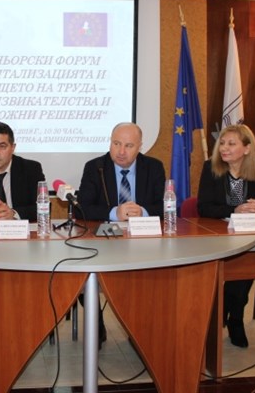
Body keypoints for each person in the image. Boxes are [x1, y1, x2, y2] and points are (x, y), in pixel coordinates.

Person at [77, 122, 166, 347]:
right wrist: (114, 213)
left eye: (128, 145)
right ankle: (96, 322)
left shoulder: (153, 167)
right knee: (80, 274)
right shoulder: (95, 167)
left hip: (142, 243)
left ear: (140, 146)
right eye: (116, 144)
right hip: (104, 242)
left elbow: (166, 206)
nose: (121, 151)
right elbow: (82, 208)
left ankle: (137, 326)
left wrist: (143, 212)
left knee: (149, 281)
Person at [197, 124, 255, 348]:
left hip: (248, 233)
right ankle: (232, 317)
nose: (223, 148)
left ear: (247, 148)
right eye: (222, 143)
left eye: (231, 144)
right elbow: (203, 207)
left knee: (246, 269)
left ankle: (232, 316)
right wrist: (234, 210)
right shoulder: (211, 167)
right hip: (217, 235)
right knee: (235, 272)